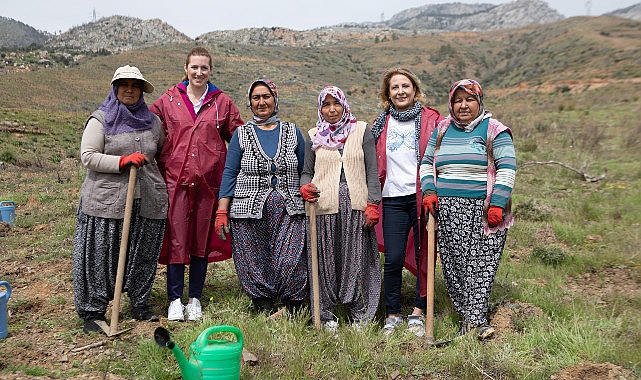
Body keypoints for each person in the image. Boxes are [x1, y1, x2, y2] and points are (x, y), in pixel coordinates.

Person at [150, 47, 244, 322]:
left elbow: (238, 139)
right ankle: (174, 300)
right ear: (185, 68)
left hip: (208, 184)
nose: (199, 72)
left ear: (210, 71)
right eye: (194, 67)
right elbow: (149, 127)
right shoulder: (168, 100)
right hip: (175, 181)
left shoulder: (221, 103)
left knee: (201, 240)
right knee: (177, 239)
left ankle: (195, 299)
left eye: (204, 68)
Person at [73, 65, 168, 333]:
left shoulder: (153, 121)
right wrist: (122, 161)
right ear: (115, 89)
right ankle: (93, 311)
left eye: (135, 85)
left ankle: (139, 304)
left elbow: (158, 150)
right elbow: (88, 155)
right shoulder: (100, 119)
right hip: (106, 200)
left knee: (143, 254)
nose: (129, 89)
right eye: (124, 85)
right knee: (100, 255)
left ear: (141, 91)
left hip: (148, 197)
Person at [420, 79, 516, 340]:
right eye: (458, 100)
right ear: (451, 103)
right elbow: (427, 163)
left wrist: (497, 203)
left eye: (469, 99)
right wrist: (429, 191)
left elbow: (507, 168)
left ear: (479, 102)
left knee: (480, 266)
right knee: (455, 266)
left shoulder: (495, 130)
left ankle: (474, 322)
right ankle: (473, 320)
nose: (464, 105)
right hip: (447, 210)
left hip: (484, 211)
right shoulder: (442, 129)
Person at [216, 79, 308, 315]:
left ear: (275, 99)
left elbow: (305, 170)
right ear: (250, 103)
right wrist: (222, 210)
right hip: (247, 210)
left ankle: (293, 308)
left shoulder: (292, 131)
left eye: (266, 96)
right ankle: (263, 307)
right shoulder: (241, 134)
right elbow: (230, 172)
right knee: (253, 259)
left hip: (290, 209)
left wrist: (307, 188)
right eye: (256, 98)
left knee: (290, 260)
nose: (261, 102)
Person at [299, 86, 382, 331]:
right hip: (323, 207)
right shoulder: (314, 134)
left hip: (357, 207)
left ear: (344, 105)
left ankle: (361, 316)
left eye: (336, 104)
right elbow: (306, 172)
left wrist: (373, 204)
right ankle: (326, 317)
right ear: (320, 108)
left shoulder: (362, 131)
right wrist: (305, 188)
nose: (332, 109)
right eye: (326, 105)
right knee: (325, 262)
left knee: (358, 261)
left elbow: (372, 173)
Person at [372, 67, 444, 336]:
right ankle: (392, 313)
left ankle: (418, 310)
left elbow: (440, 156)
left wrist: (433, 189)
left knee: (425, 255)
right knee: (393, 258)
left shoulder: (431, 120)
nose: (400, 91)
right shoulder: (380, 124)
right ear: (387, 93)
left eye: (405, 86)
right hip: (392, 198)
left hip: (423, 196)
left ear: (415, 90)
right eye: (394, 87)